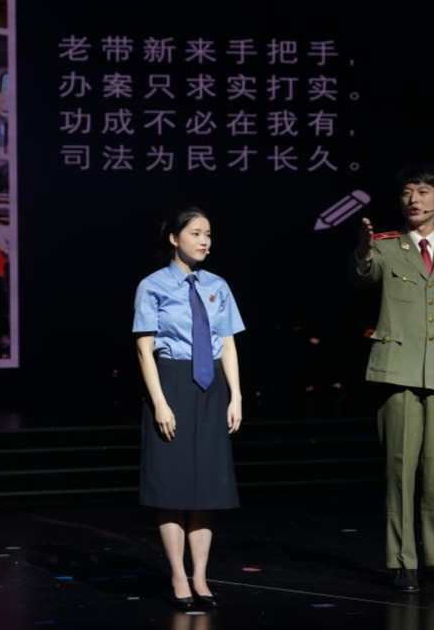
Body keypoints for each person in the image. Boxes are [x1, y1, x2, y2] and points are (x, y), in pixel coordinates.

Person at [350, 164, 434, 593]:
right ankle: (403, 561)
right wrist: (364, 250)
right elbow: (364, 273)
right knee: (400, 470)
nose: (414, 200)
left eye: (423, 192)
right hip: (399, 373)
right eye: (408, 192)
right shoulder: (387, 246)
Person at [133, 207, 244, 610]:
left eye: (208, 234)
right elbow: (144, 349)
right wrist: (160, 402)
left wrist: (236, 396)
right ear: (173, 238)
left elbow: (228, 343)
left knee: (207, 490)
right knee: (172, 486)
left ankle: (200, 576)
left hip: (212, 386)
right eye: (196, 233)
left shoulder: (218, 285)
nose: (204, 241)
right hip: (173, 382)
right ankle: (178, 576)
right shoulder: (152, 285)